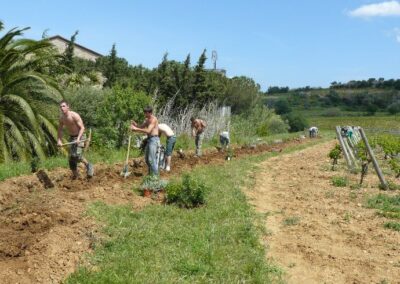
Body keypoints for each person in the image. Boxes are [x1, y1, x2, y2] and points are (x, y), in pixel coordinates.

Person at [57, 100, 94, 179]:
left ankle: (88, 165)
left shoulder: (74, 115)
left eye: (63, 106)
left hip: (80, 136)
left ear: (68, 107)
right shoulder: (62, 118)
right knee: (71, 158)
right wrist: (59, 140)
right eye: (60, 107)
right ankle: (76, 176)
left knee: (76, 155)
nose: (62, 108)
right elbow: (60, 130)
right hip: (72, 137)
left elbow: (82, 128)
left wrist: (78, 139)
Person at [130, 106, 160, 175]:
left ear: (150, 113)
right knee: (147, 159)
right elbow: (141, 126)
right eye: (144, 112)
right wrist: (135, 125)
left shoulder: (153, 120)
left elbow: (148, 131)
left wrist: (136, 129)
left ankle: (155, 177)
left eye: (146, 113)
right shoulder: (147, 119)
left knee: (152, 159)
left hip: (154, 140)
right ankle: (151, 174)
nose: (145, 114)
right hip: (149, 140)